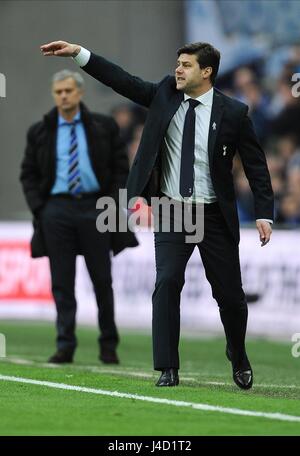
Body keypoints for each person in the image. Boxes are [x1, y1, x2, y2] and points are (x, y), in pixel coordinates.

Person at [40, 41, 274, 389]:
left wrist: (264, 213)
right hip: (171, 210)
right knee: (166, 283)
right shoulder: (164, 94)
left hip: (213, 215)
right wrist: (79, 53)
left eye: (186, 65)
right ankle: (167, 367)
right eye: (177, 63)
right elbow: (121, 79)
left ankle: (237, 352)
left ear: (206, 72)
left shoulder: (234, 112)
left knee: (230, 297)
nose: (178, 70)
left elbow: (256, 165)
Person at [20, 69, 138, 365]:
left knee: (102, 280)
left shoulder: (103, 126)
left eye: (68, 91)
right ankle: (65, 344)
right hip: (56, 210)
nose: (63, 96)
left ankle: (108, 345)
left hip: (95, 206)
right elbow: (28, 174)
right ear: (53, 94)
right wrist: (41, 209)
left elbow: (120, 168)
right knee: (62, 282)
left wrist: (111, 202)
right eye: (58, 91)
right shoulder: (40, 131)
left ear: (80, 92)